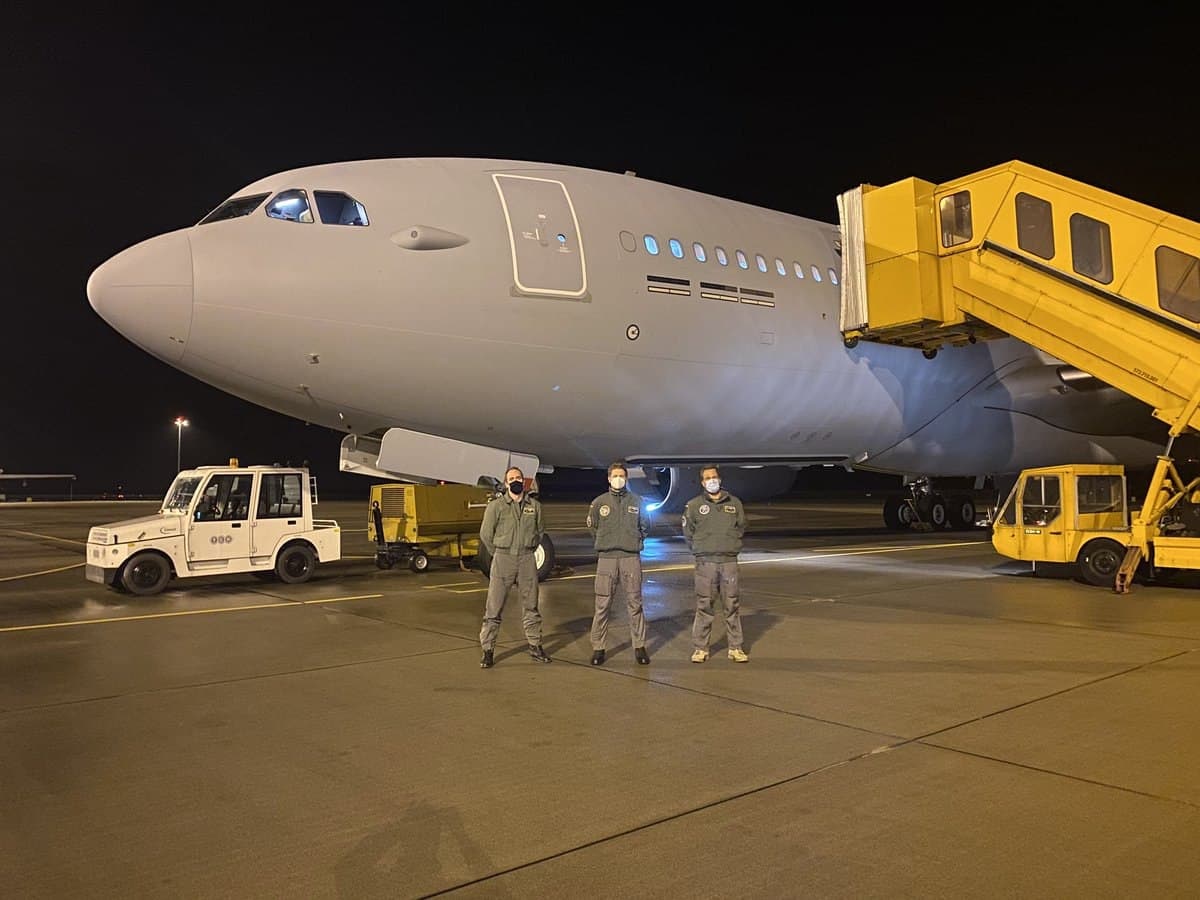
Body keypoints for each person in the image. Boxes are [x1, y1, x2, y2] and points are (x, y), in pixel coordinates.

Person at [477, 466, 552, 668]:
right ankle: (488, 650)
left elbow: (540, 531)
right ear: (506, 483)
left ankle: (535, 646)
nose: (515, 481)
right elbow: (486, 534)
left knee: (531, 606)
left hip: (527, 558)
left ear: (524, 481)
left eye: (518, 478)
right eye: (511, 479)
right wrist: (499, 552)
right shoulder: (496, 506)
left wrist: (528, 549)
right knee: (494, 607)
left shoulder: (534, 506)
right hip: (503, 559)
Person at [681, 465, 748, 663]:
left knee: (732, 604)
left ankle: (735, 647)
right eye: (708, 478)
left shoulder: (734, 503)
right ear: (702, 483)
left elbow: (741, 527)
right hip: (706, 563)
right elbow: (688, 532)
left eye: (714, 477)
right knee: (704, 605)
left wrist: (731, 544)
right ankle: (701, 648)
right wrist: (701, 549)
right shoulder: (693, 505)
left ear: (720, 479)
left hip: (728, 561)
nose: (712, 481)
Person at [586, 461, 650, 666]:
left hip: (630, 557)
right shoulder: (599, 503)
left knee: (635, 603)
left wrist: (633, 541)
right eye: (615, 476)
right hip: (607, 558)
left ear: (626, 478)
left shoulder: (637, 501)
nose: (618, 479)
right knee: (602, 605)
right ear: (608, 478)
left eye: (621, 476)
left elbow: (645, 526)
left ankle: (639, 646)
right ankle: (598, 647)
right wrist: (606, 542)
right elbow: (593, 527)